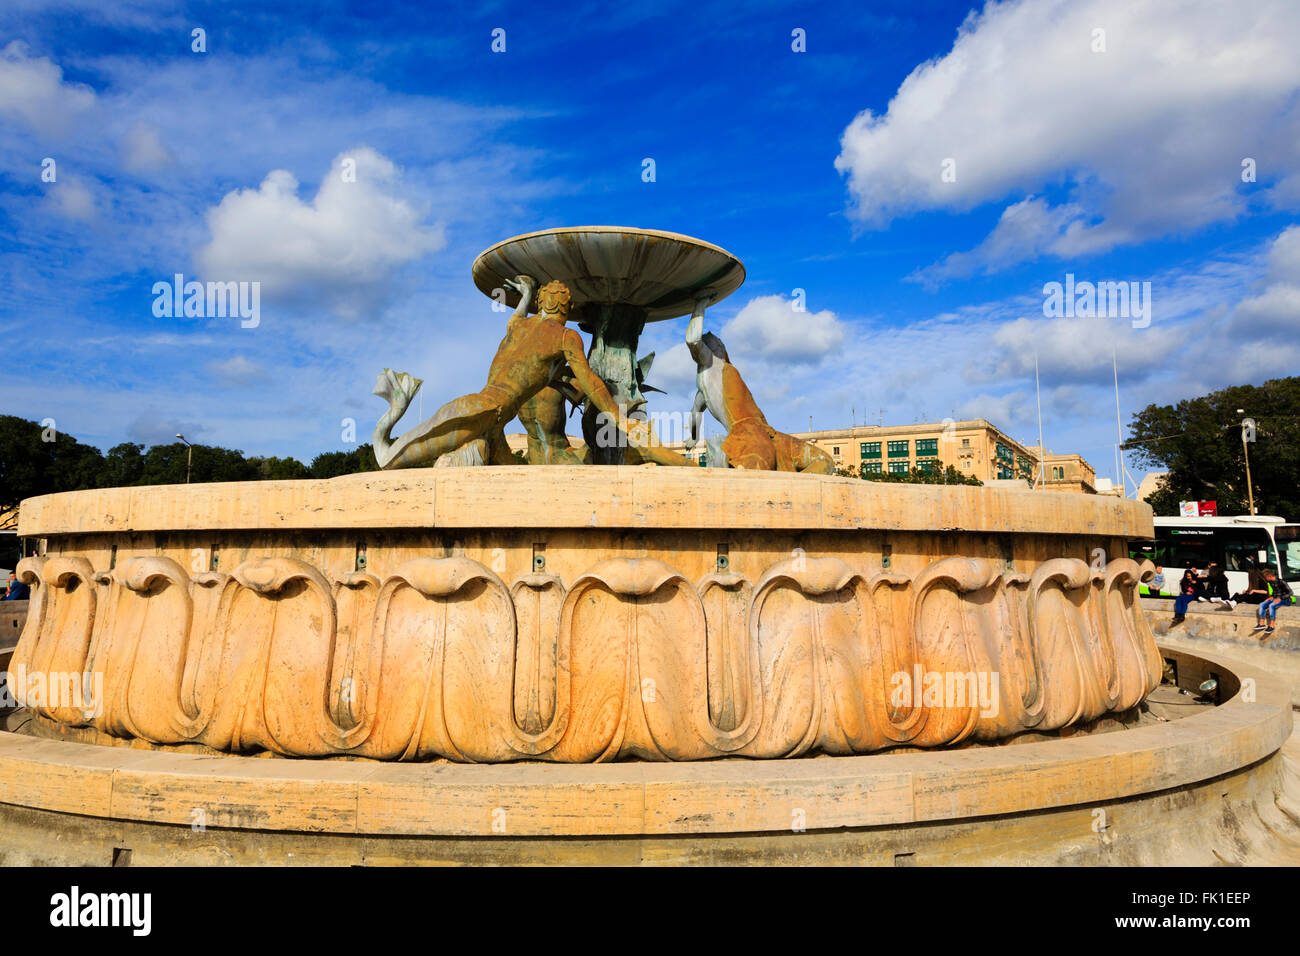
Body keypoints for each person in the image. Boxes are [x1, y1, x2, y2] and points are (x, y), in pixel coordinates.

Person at [371, 276, 690, 470]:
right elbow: (591, 382)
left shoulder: (519, 326)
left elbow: (517, 315)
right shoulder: (565, 336)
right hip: (487, 412)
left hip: (485, 416)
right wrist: (617, 416)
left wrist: (525, 293)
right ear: (565, 309)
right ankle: (398, 403)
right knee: (389, 458)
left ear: (541, 304)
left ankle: (395, 408)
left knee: (397, 454)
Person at [1253, 569, 1294, 636]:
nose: (1265, 579)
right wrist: (1271, 597)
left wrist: (1280, 598)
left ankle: (1271, 626)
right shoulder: (1271, 582)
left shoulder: (1281, 582)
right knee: (1262, 604)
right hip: (1276, 598)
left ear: (1269, 576)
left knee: (1272, 605)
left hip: (1285, 600)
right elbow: (1275, 593)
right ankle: (1261, 624)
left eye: (1265, 577)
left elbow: (1291, 593)